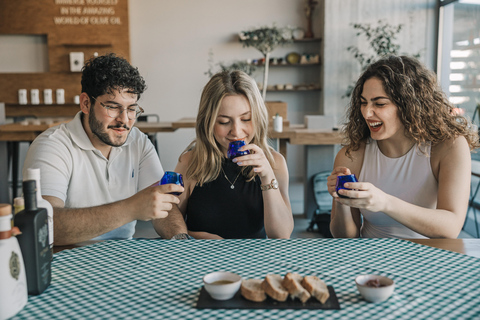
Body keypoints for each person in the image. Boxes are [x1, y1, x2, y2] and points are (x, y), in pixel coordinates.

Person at [22, 53, 189, 245]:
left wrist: (181, 240)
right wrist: (131, 208)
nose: (124, 120)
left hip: (122, 258)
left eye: (132, 109)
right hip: (66, 261)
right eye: (112, 107)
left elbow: (163, 207)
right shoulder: (53, 146)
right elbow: (44, 227)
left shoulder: (138, 142)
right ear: (86, 103)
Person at [328, 55, 479, 239]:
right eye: (363, 102)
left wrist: (385, 202)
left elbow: (451, 227)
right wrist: (342, 200)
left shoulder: (449, 146)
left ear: (410, 105)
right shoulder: (352, 155)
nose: (367, 113)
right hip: (369, 258)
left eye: (380, 103)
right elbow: (344, 238)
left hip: (430, 258)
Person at [174, 70, 293, 239]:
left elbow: (281, 235)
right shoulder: (190, 162)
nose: (236, 131)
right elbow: (169, 225)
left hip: (256, 262)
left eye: (246, 119)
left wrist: (267, 176)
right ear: (208, 122)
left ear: (258, 117)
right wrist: (196, 237)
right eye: (224, 121)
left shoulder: (275, 163)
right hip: (202, 260)